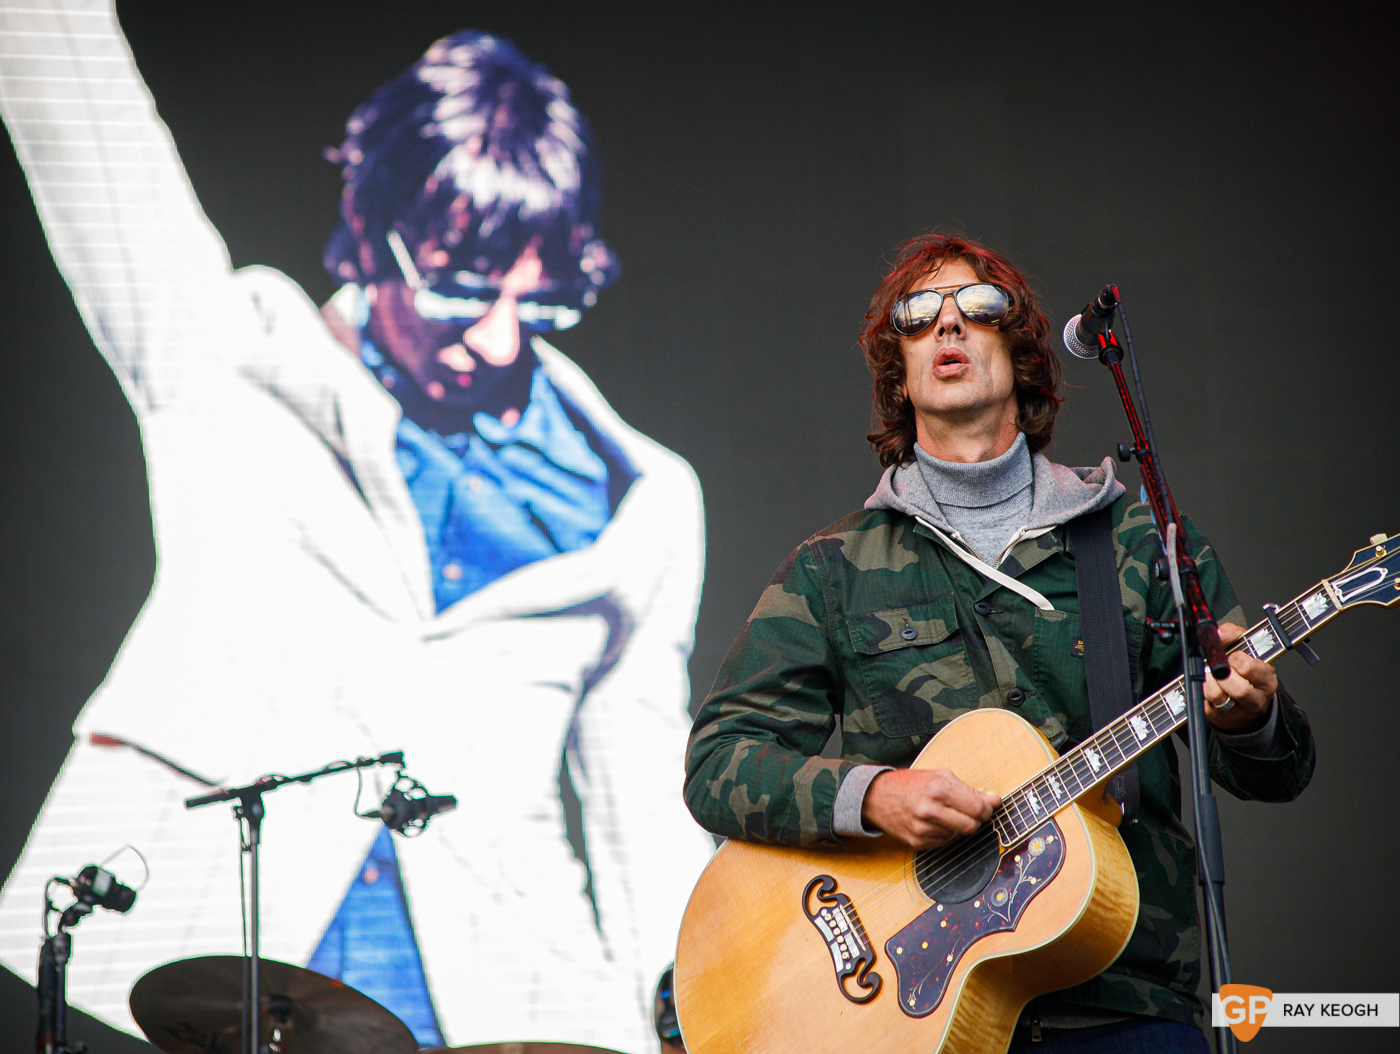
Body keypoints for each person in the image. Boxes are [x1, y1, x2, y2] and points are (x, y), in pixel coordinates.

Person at [0, 3, 713, 1050]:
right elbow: (81, 113)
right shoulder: (229, 359)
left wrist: (685, 1009)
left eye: (543, 300)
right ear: (371, 234)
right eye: (463, 289)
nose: (499, 336)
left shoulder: (641, 497)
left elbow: (639, 811)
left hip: (489, 986)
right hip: (188, 938)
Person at [683, 233, 1315, 1051]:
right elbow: (720, 762)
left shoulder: (1140, 541)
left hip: (1126, 1000)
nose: (948, 327)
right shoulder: (833, 568)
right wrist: (874, 796)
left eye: (978, 308)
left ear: (1022, 357)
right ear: (897, 373)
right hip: (920, 1017)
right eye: (918, 317)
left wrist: (1247, 720)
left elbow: (1277, 772)